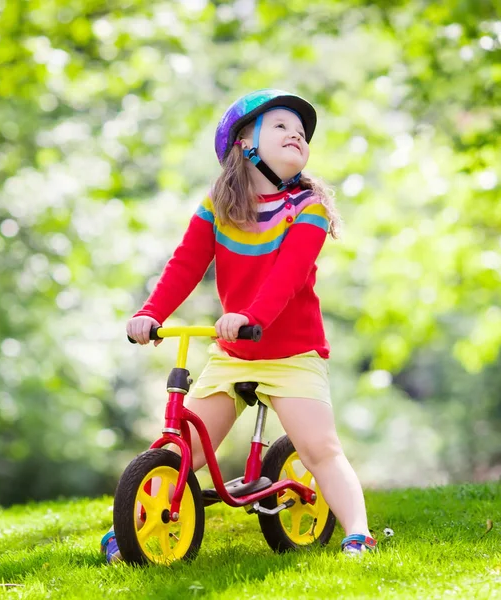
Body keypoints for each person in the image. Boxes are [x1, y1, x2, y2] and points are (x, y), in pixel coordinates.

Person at [102, 89, 377, 561]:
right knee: (179, 448)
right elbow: (186, 264)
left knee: (318, 448)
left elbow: (289, 275)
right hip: (235, 352)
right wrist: (151, 313)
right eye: (280, 126)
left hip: (292, 353)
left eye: (301, 132)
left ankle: (358, 532)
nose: (296, 134)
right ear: (244, 144)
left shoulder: (307, 206)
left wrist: (252, 317)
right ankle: (140, 521)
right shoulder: (218, 205)